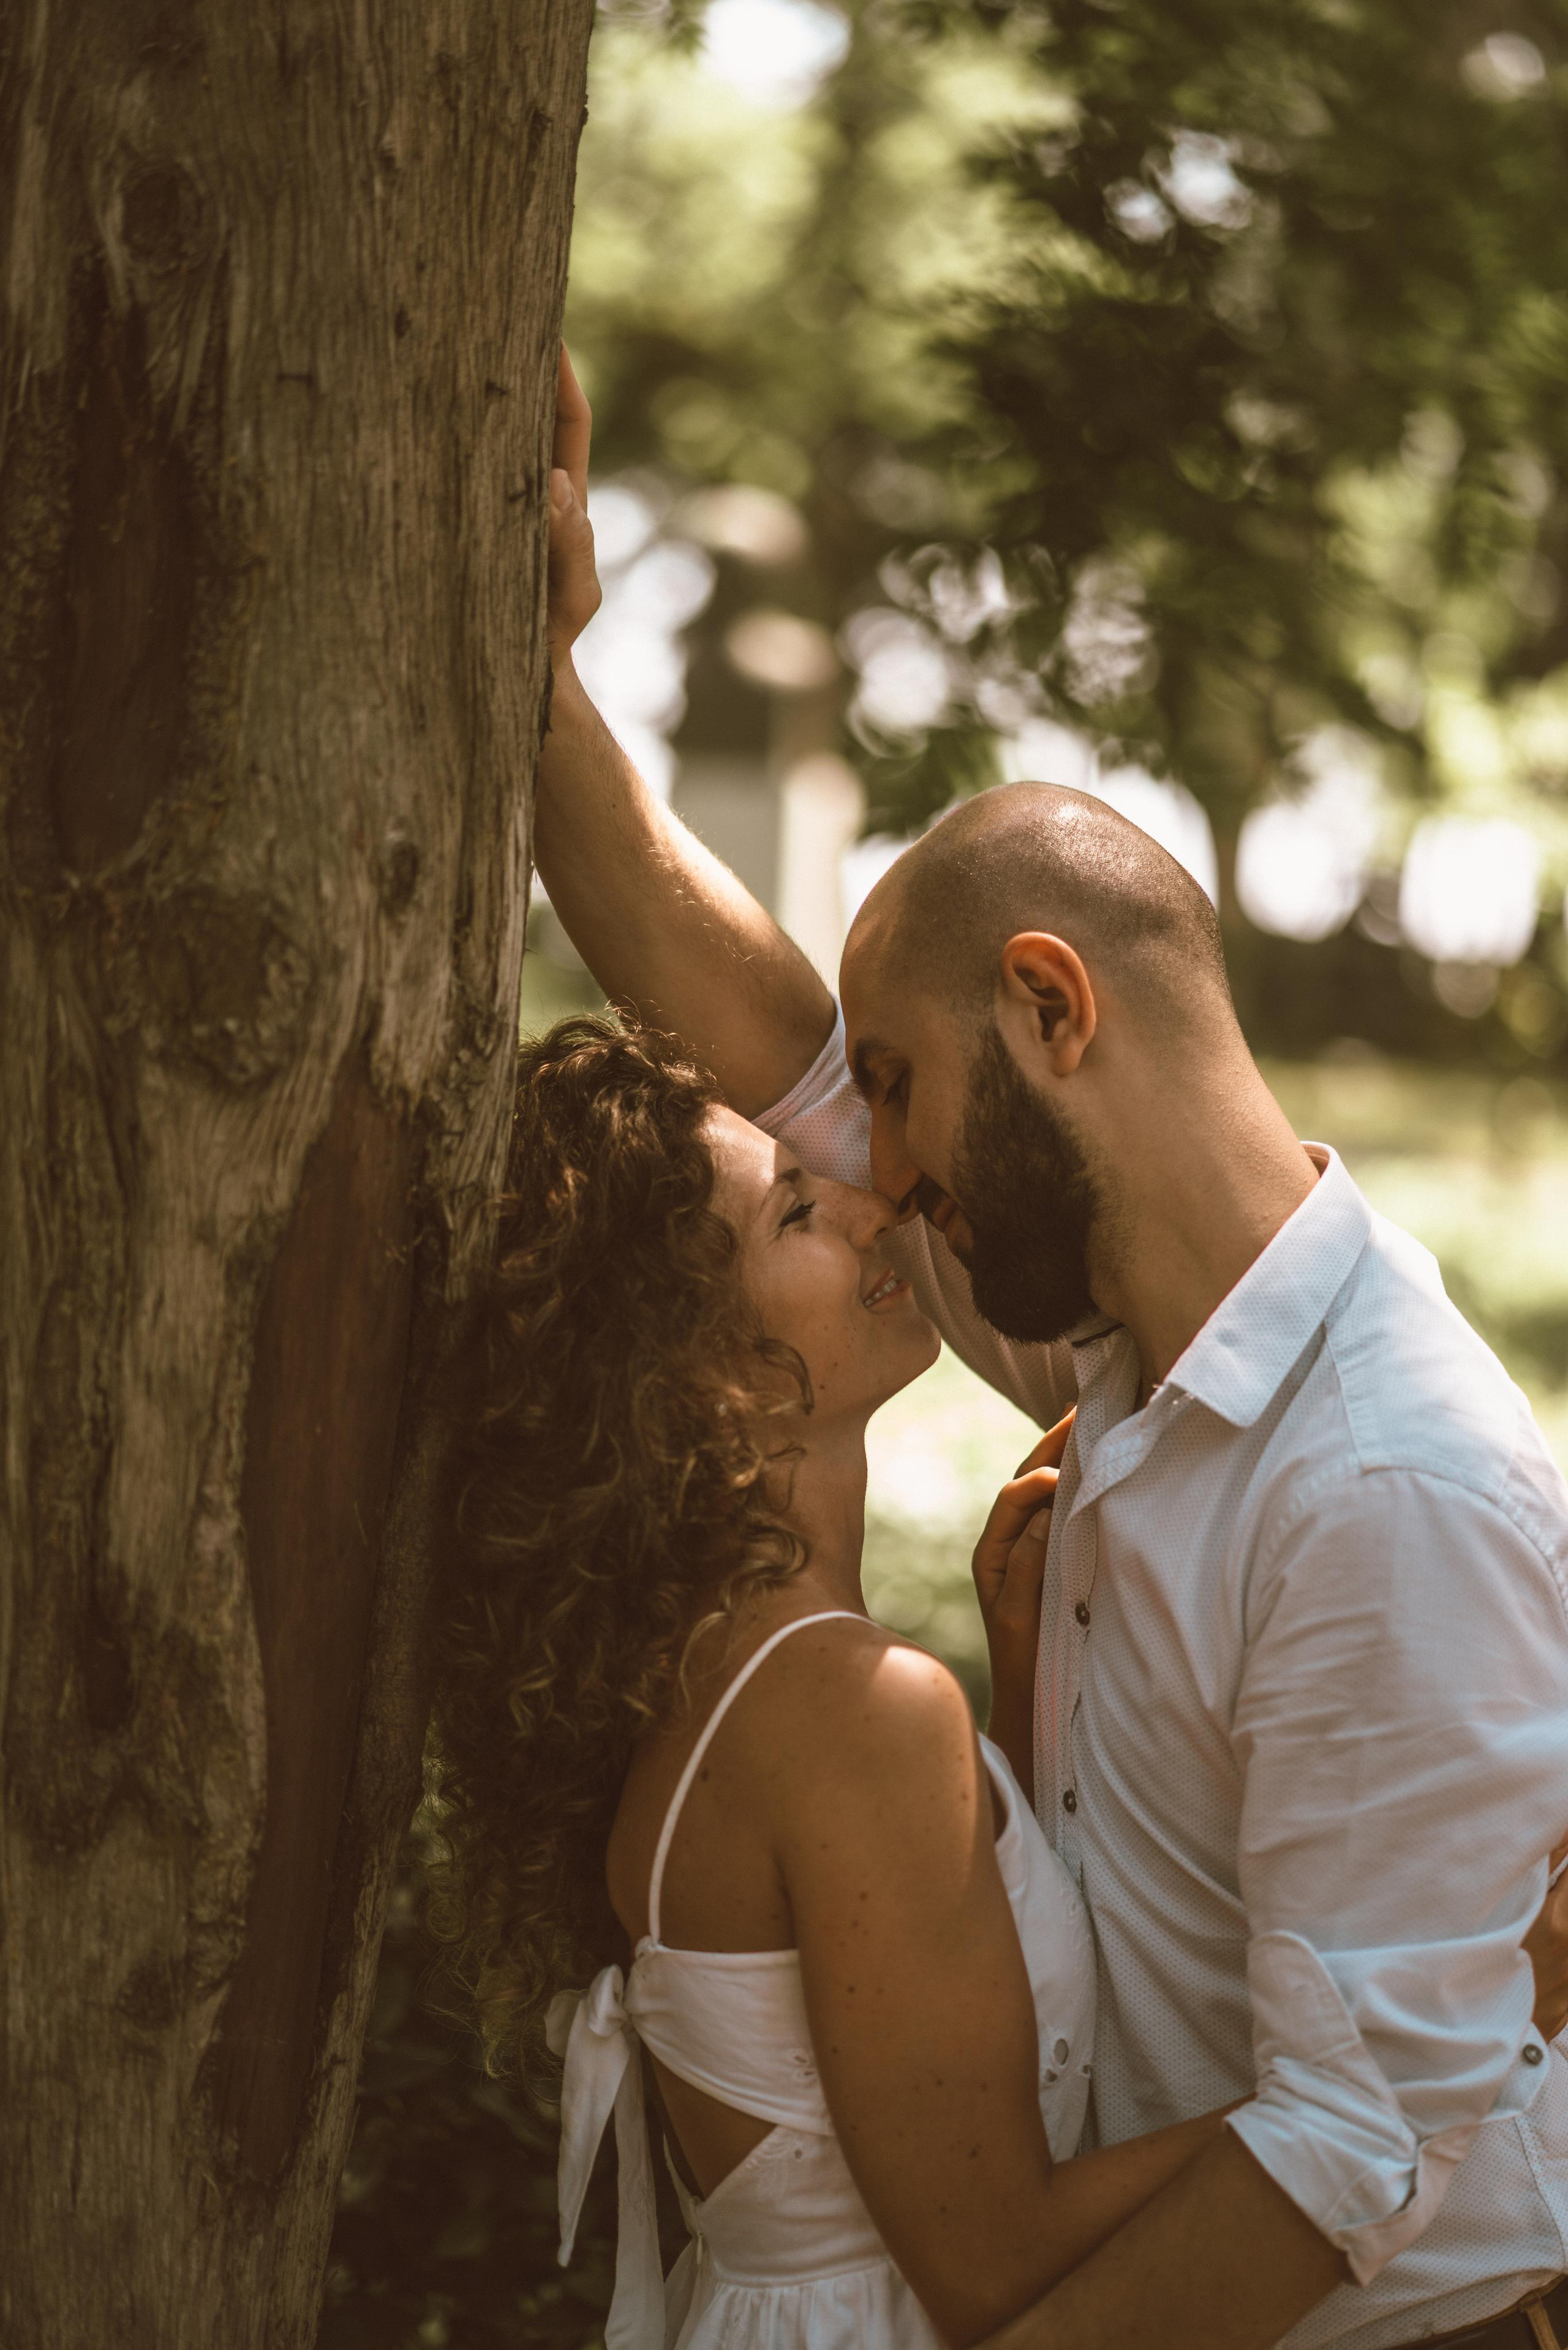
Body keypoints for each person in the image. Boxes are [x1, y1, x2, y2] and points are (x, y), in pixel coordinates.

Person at [526, 350, 1568, 2350]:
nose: (876, 1160)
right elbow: (767, 1046)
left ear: (1052, 1009)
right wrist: (542, 682)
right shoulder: (1124, 1341)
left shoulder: (1381, 1477)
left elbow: (1355, 2152)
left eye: (906, 1090)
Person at [431, 1015, 1250, 2349]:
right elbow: (993, 2261)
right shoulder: (847, 1713)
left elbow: (875, 2011)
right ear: (686, 1374)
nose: (878, 1209)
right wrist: (1388, 2070)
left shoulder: (725, 1683)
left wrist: (1014, 1690)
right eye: (797, 1210)